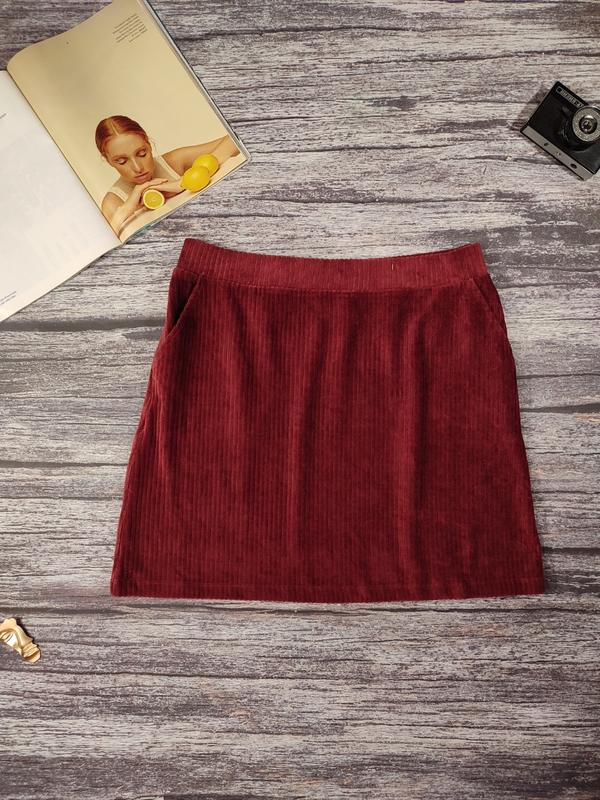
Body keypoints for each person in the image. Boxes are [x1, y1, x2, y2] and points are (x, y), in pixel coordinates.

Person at [95, 115, 240, 236]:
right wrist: (127, 209)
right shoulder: (113, 202)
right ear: (108, 161)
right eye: (121, 161)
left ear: (149, 144)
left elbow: (233, 140)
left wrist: (183, 183)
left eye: (142, 153)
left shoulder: (173, 162)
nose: (138, 168)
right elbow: (107, 244)